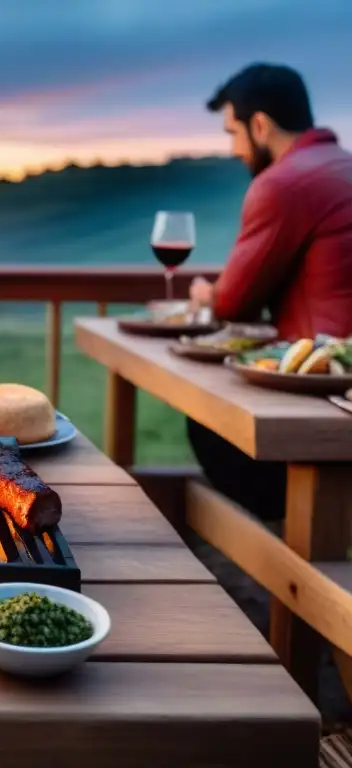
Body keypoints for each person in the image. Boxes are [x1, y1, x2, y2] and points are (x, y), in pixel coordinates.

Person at [188, 63, 352, 520]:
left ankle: (288, 556)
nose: (234, 148)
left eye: (233, 132)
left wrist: (204, 294)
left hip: (322, 405)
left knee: (206, 421)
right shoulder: (344, 167)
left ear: (260, 124)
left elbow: (231, 302)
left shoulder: (283, 182)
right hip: (342, 393)